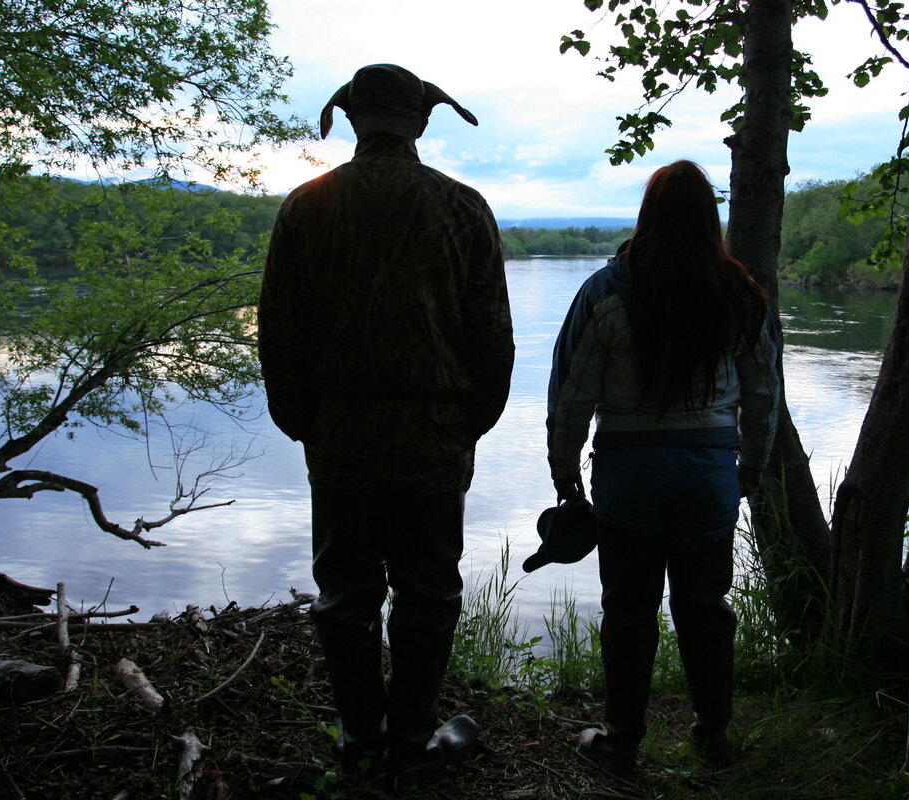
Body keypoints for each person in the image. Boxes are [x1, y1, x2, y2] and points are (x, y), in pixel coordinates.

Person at [257, 63, 514, 777]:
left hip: (339, 430)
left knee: (346, 591)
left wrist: (303, 420)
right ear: (422, 120)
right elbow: (492, 334)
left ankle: (357, 740)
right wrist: (470, 421)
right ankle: (410, 742)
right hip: (433, 429)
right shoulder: (463, 208)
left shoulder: (306, 206)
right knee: (429, 588)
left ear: (349, 116)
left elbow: (278, 329)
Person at [546, 159, 780, 776]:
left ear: (646, 214)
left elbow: (571, 394)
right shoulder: (742, 294)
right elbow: (763, 394)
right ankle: (714, 738)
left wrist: (565, 472)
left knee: (628, 606)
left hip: (629, 475)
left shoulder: (607, 290)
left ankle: (621, 741)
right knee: (704, 606)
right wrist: (751, 464)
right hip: (709, 475)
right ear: (711, 219)